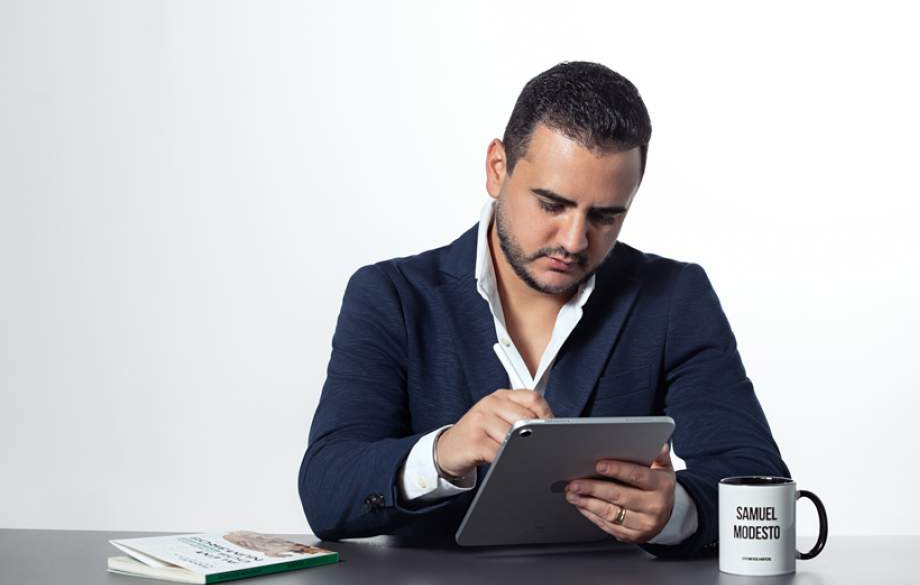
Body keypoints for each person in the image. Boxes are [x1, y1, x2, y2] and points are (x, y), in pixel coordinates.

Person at [298, 61, 789, 557]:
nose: (574, 241)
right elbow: (326, 491)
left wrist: (676, 512)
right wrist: (443, 454)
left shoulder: (674, 298)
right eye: (552, 204)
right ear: (497, 169)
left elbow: (758, 482)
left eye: (605, 216)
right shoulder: (393, 296)